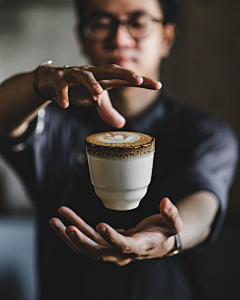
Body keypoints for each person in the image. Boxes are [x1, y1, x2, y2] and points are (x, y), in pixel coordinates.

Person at [0, 0, 238, 299]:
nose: (120, 39)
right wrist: (41, 83)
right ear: (82, 37)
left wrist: (171, 236)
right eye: (101, 23)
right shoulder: (54, 125)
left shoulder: (204, 133)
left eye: (138, 22)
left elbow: (204, 204)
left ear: (167, 37)